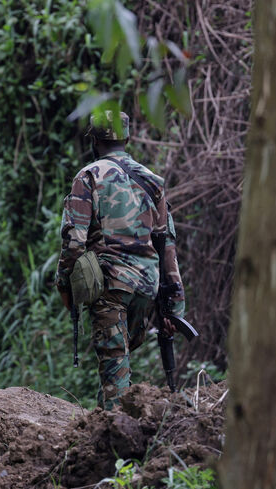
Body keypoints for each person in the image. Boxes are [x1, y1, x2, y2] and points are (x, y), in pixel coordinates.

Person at [56, 110, 185, 410]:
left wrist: (65, 285)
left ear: (94, 140)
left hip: (111, 287)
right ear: (126, 138)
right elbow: (167, 247)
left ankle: (119, 439)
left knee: (115, 372)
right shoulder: (154, 182)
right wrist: (175, 307)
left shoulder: (88, 177)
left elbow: (73, 242)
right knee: (118, 364)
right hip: (147, 289)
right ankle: (114, 422)